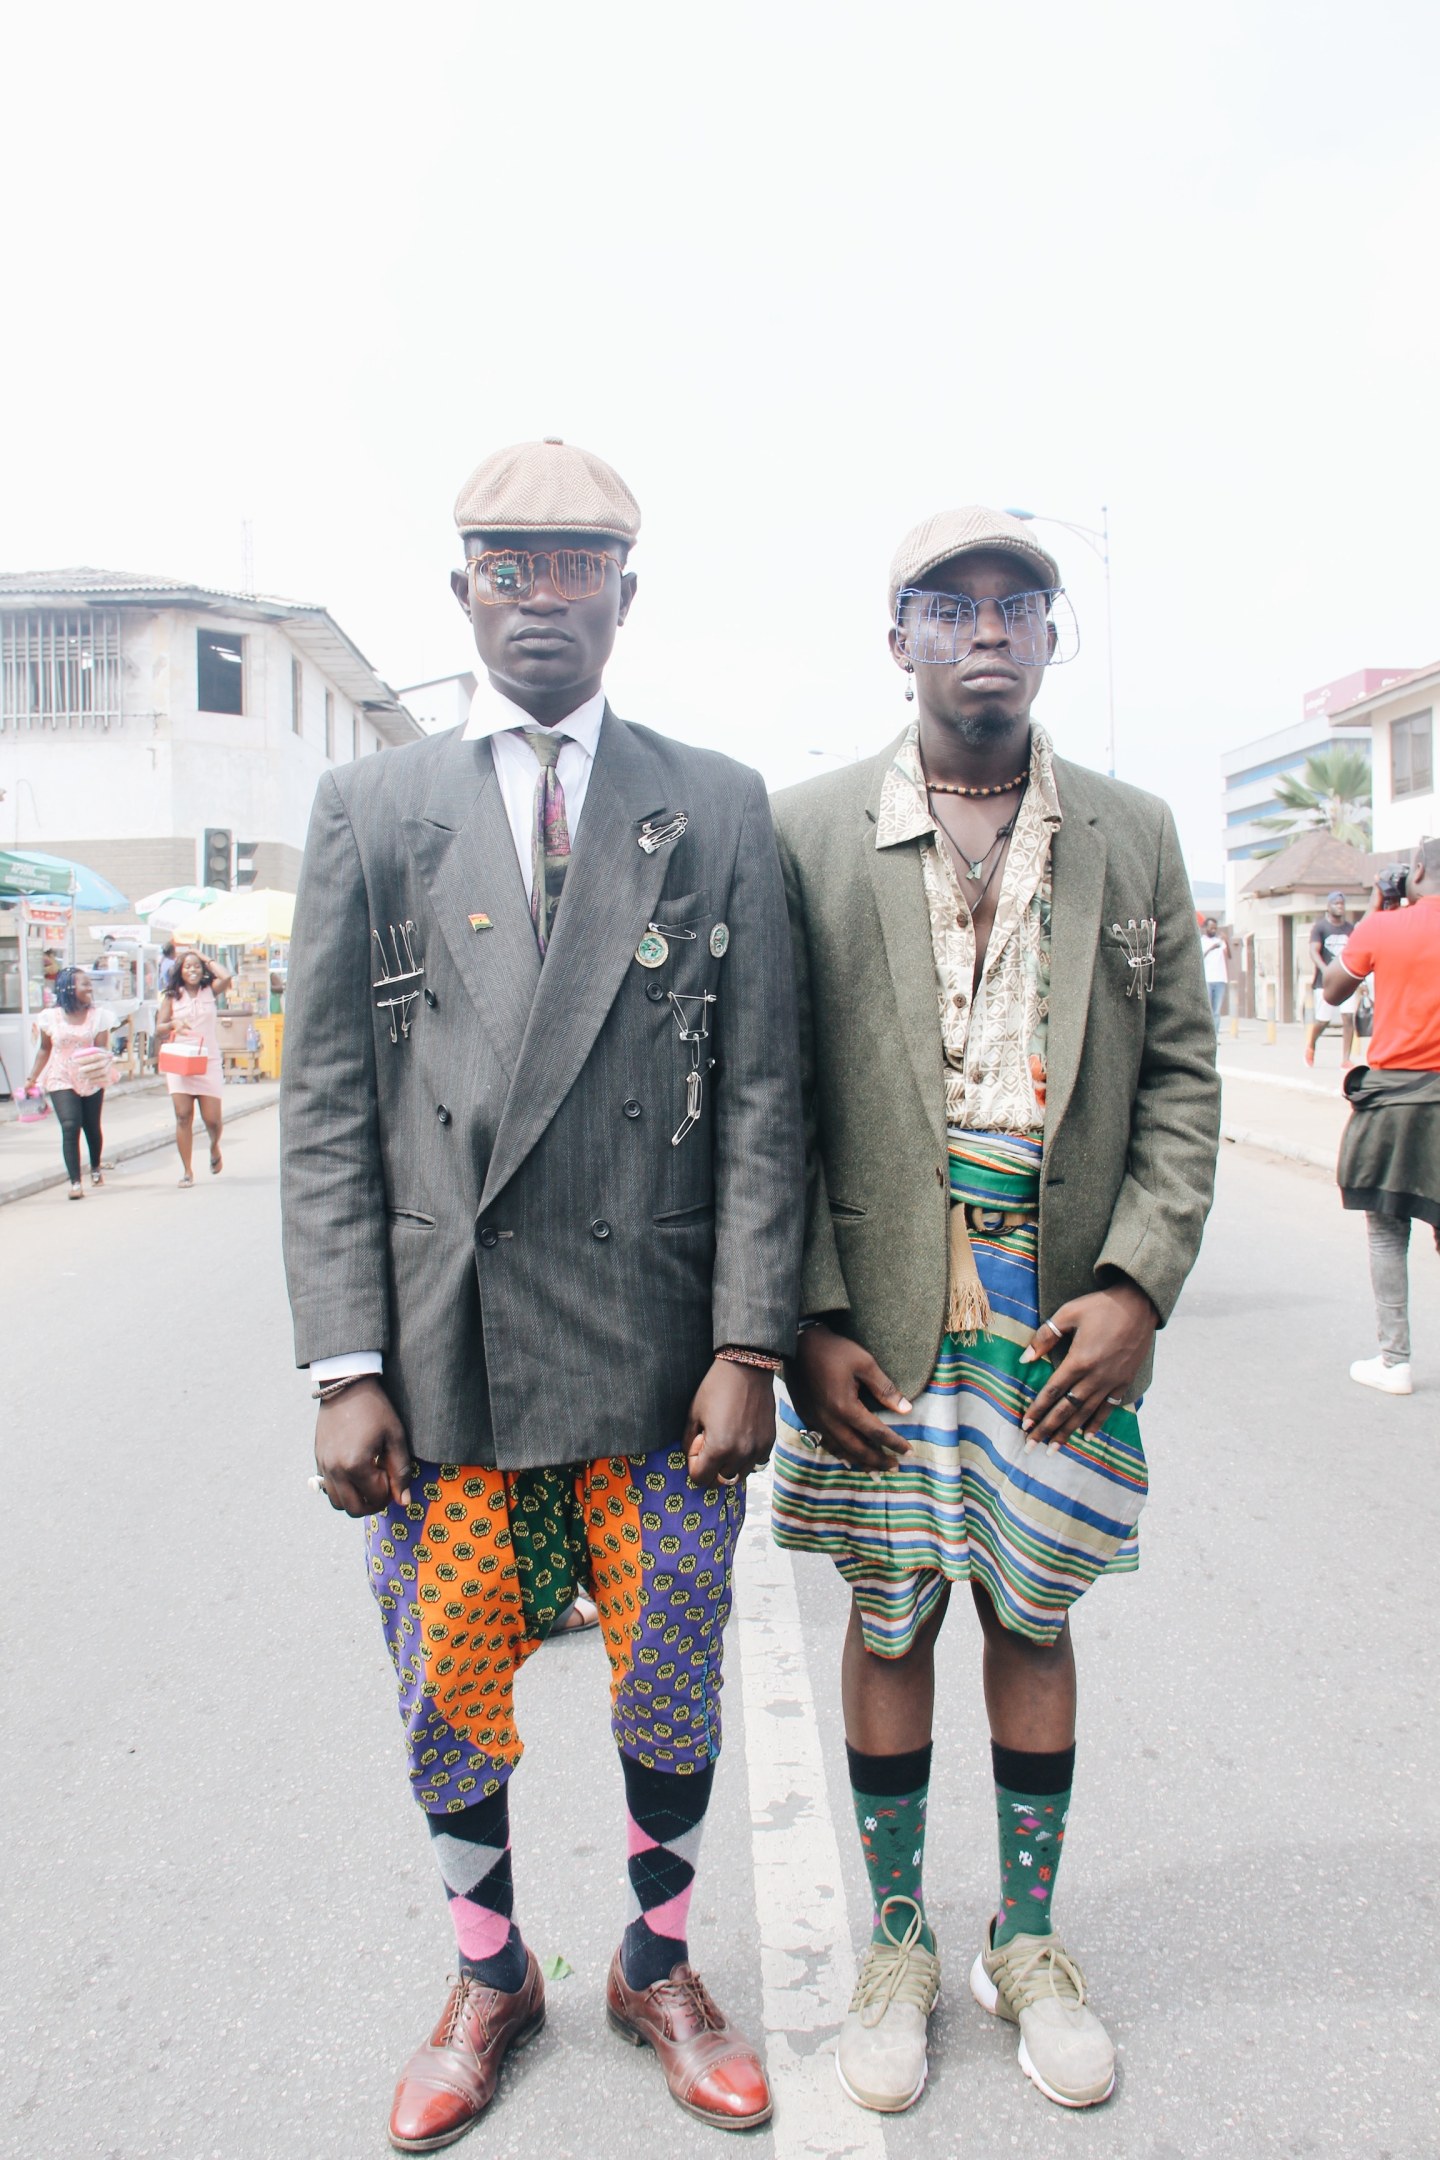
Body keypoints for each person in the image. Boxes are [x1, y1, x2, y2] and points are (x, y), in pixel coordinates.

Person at [280, 438, 802, 2152]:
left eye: (576, 568)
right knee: (453, 1681)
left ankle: (656, 1959)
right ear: (463, 596)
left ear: (626, 597)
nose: (541, 598)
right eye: (510, 568)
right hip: (449, 1352)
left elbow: (769, 1097)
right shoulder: (376, 807)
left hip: (659, 1347)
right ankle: (490, 1970)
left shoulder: (713, 799)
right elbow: (334, 1103)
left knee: (666, 1673)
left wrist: (748, 1341)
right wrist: (344, 1360)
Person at [770, 506, 1220, 2115]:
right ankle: (897, 1939)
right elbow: (772, 1095)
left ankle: (1024, 1938)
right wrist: (804, 1310)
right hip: (877, 1308)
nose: (987, 629)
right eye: (947, 606)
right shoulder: (808, 829)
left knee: (1035, 1609)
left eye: (1019, 603)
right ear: (896, 638)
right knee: (892, 1609)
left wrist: (1138, 1282)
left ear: (1050, 638)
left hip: (1055, 1313)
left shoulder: (1132, 831)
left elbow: (1179, 1080)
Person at [1322, 840, 1440, 1397]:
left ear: (1416, 870)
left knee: (1388, 1231)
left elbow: (1334, 989)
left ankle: (1395, 1362)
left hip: (1396, 1100)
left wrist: (1377, 909)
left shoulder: (1383, 927)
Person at [23, 964, 114, 1198]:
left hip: (90, 1075)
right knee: (70, 1125)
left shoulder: (99, 1016)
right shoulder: (49, 1017)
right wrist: (32, 1078)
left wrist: (104, 1065)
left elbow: (103, 1048)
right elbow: (44, 1049)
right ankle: (75, 1182)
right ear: (69, 987)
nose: (89, 988)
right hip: (60, 1075)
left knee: (92, 1127)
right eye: (84, 983)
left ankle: (95, 1166)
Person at [158, 946, 231, 1185]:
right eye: (188, 966)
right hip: (180, 1060)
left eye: (196, 966)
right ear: (180, 970)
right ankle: (187, 1171)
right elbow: (158, 1028)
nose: (193, 970)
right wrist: (173, 1025)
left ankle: (214, 1147)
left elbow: (227, 977)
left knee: (212, 1119)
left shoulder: (209, 990)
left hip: (207, 1060)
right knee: (182, 1116)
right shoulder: (171, 995)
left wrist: (203, 956)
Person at [1306, 891, 1358, 1068]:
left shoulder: (1349, 929)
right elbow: (1314, 950)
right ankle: (1311, 1044)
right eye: (1336, 903)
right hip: (1324, 982)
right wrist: (1325, 970)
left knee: (1348, 1018)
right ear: (1328, 906)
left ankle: (1345, 1058)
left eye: (1342, 903)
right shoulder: (1320, 928)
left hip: (1347, 979)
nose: (1339, 906)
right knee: (1323, 1020)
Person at [1200, 915, 1230, 1034]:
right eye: (1211, 928)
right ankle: (1207, 1035)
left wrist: (1226, 941)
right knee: (1208, 1010)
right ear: (1206, 928)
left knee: (1217, 1011)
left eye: (1215, 928)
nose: (1214, 930)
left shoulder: (1220, 941)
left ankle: (1216, 1036)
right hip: (1207, 979)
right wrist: (1212, 948)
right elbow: (1200, 958)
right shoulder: (1201, 941)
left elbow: (1229, 956)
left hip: (1220, 979)